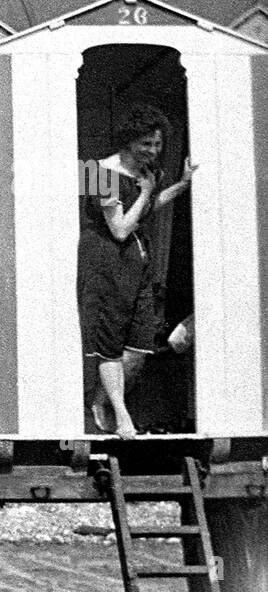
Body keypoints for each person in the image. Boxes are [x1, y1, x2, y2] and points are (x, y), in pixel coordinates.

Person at [78, 104, 195, 438]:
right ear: (128, 142)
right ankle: (122, 416)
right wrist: (145, 192)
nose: (153, 151)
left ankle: (100, 400)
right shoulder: (97, 171)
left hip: (137, 269)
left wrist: (181, 185)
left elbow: (145, 211)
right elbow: (119, 229)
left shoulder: (148, 173)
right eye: (146, 144)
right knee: (110, 346)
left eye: (157, 145)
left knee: (139, 349)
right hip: (106, 270)